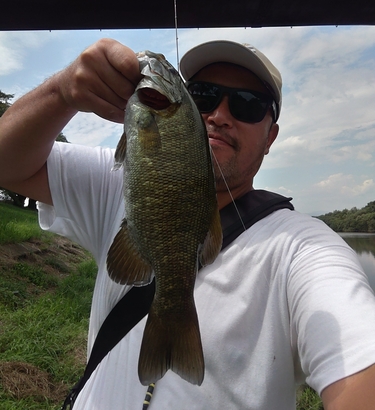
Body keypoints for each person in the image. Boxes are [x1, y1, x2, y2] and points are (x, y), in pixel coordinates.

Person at [0, 38, 375, 410]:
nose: (219, 115)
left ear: (270, 138)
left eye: (247, 104)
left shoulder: (302, 248)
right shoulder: (119, 181)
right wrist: (60, 92)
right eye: (203, 94)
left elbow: (358, 355)